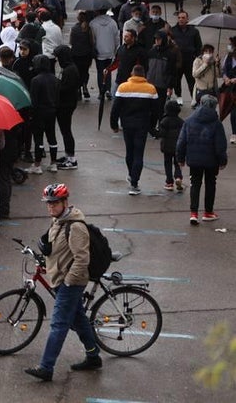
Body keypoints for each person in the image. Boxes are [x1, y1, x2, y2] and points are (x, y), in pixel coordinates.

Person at [24, 184, 103, 382]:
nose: (50, 207)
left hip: (71, 283)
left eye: (55, 203)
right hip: (60, 279)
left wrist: (68, 282)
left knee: (58, 324)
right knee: (79, 319)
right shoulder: (58, 221)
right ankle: (93, 355)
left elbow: (81, 259)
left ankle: (46, 367)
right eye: (48, 203)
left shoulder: (75, 227)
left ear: (65, 202)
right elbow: (58, 250)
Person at [177, 93, 228, 224]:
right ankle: (208, 212)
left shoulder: (189, 121)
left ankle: (193, 213)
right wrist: (222, 160)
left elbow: (181, 142)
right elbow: (220, 145)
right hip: (211, 161)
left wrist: (180, 158)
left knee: (195, 184)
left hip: (194, 159)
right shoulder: (216, 124)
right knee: (210, 184)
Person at [111, 65, 161, 195]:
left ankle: (130, 173)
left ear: (132, 74)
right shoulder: (151, 89)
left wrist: (114, 125)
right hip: (142, 125)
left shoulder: (123, 87)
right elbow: (156, 111)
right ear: (144, 75)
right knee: (139, 153)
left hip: (127, 125)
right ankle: (134, 183)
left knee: (129, 151)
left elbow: (115, 108)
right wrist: (152, 126)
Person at [28, 54, 60, 173]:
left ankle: (37, 164)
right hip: (51, 111)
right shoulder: (54, 79)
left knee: (38, 138)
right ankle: (53, 163)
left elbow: (33, 99)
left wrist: (31, 114)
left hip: (39, 112)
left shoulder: (36, 80)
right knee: (52, 137)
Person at [170, 10, 203, 104]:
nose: (181, 19)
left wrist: (198, 58)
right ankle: (179, 96)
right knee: (176, 80)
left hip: (190, 60)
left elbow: (198, 46)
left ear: (187, 19)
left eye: (183, 18)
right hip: (177, 60)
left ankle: (193, 98)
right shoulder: (173, 30)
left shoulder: (194, 31)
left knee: (192, 81)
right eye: (179, 17)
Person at [154, 100, 186, 193]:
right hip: (178, 146)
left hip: (167, 146)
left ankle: (169, 182)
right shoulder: (181, 122)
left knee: (167, 163)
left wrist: (154, 132)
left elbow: (161, 134)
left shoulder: (164, 121)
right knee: (177, 163)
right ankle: (178, 177)